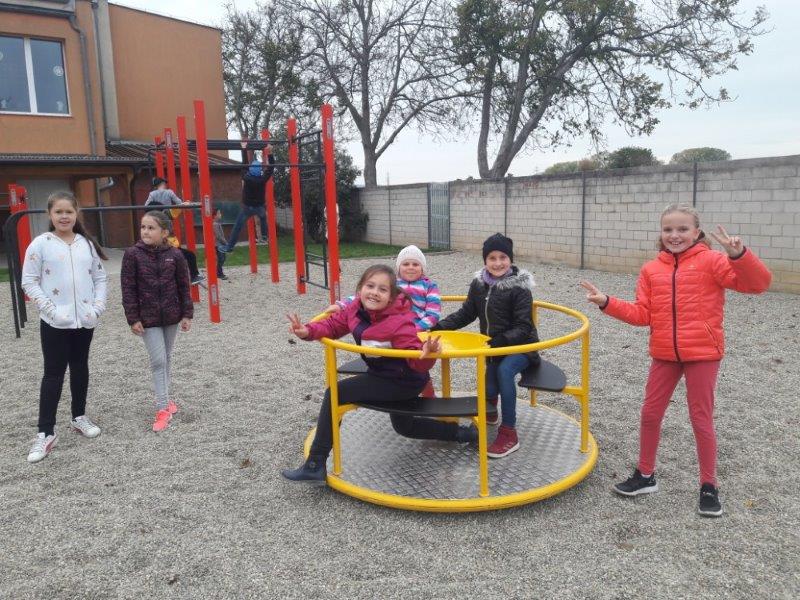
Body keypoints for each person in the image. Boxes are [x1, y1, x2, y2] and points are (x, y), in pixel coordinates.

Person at [581, 204, 771, 517]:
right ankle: (645, 475)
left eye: (682, 229)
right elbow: (643, 314)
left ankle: (709, 485)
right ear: (661, 233)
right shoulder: (651, 269)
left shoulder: (713, 261)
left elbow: (758, 284)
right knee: (650, 413)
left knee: (700, 419)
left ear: (696, 232)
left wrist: (739, 255)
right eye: (668, 229)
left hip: (703, 354)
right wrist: (607, 302)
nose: (675, 235)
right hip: (664, 353)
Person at [281, 264, 478, 484]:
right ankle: (464, 434)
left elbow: (416, 361)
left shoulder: (399, 322)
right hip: (383, 373)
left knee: (336, 393)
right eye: (370, 286)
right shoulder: (355, 309)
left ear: (391, 297)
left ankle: (315, 464)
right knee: (405, 427)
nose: (375, 292)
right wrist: (307, 331)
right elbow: (333, 325)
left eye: (382, 289)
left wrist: (428, 353)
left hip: (403, 380)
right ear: (360, 289)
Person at [432, 233, 540, 458]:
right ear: (485, 261)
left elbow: (524, 326)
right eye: (492, 258)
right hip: (493, 348)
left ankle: (509, 433)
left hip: (520, 347)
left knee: (504, 371)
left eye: (503, 257)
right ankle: (491, 407)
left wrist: (503, 340)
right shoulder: (479, 285)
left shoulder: (520, 288)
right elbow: (467, 313)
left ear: (510, 259)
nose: (498, 263)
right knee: (489, 387)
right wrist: (440, 327)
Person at [21, 191, 108, 463]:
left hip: (84, 320)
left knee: (80, 367)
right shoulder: (41, 244)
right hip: (55, 323)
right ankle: (45, 431)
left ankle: (79, 416)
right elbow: (29, 281)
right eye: (58, 212)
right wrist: (51, 310)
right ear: (50, 214)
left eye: (68, 211)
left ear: (76, 213)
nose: (64, 216)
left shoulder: (86, 244)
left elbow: (100, 278)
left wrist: (96, 308)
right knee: (53, 374)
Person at [121, 211, 193, 432]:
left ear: (164, 232)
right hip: (148, 318)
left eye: (151, 228)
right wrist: (133, 318)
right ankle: (162, 408)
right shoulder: (132, 255)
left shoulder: (175, 255)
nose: (145, 231)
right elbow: (128, 288)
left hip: (171, 315)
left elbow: (183, 285)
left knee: (167, 357)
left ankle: (167, 400)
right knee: (158, 360)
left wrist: (187, 313)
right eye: (143, 227)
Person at [145, 177, 203, 285]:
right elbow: (179, 204)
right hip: (168, 248)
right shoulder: (167, 206)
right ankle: (193, 276)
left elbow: (145, 206)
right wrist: (186, 204)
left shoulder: (149, 219)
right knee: (189, 256)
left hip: (162, 247)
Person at [222, 148, 275, 251]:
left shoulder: (246, 178)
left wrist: (243, 149)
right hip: (259, 207)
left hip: (247, 208)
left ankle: (229, 247)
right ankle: (264, 236)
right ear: (260, 171)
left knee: (237, 227)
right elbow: (271, 167)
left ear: (251, 170)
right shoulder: (263, 179)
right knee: (263, 218)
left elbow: (244, 164)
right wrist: (270, 153)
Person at [213, 206, 229, 280]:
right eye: (219, 213)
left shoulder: (217, 223)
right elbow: (218, 236)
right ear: (215, 215)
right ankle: (219, 273)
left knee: (222, 258)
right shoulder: (215, 224)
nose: (220, 214)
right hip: (218, 244)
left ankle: (218, 272)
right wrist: (225, 243)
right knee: (221, 258)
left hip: (220, 244)